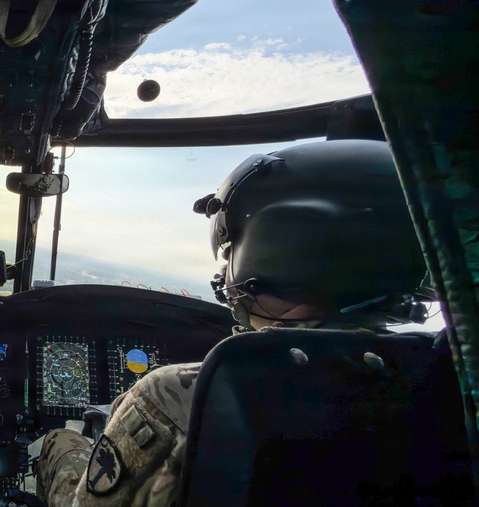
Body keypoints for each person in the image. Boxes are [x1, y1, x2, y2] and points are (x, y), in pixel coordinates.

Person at [35, 139, 428, 506]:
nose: (225, 270)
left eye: (230, 251)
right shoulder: (436, 380)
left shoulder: (180, 393)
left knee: (60, 439)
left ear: (276, 248)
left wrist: (80, 439)